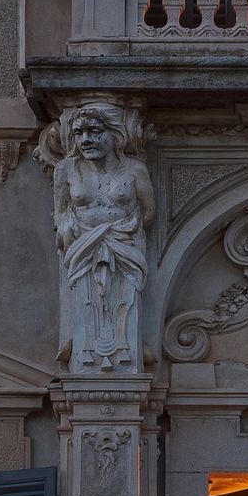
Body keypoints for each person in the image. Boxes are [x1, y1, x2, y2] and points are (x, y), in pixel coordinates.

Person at [53, 103, 157, 370]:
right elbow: (61, 213)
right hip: (81, 248)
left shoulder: (134, 170)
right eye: (79, 133)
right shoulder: (66, 169)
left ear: (116, 135)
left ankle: (124, 348)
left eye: (94, 131)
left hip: (125, 245)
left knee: (124, 300)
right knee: (88, 302)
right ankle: (86, 351)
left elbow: (148, 212)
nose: (86, 139)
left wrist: (119, 233)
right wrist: (73, 232)